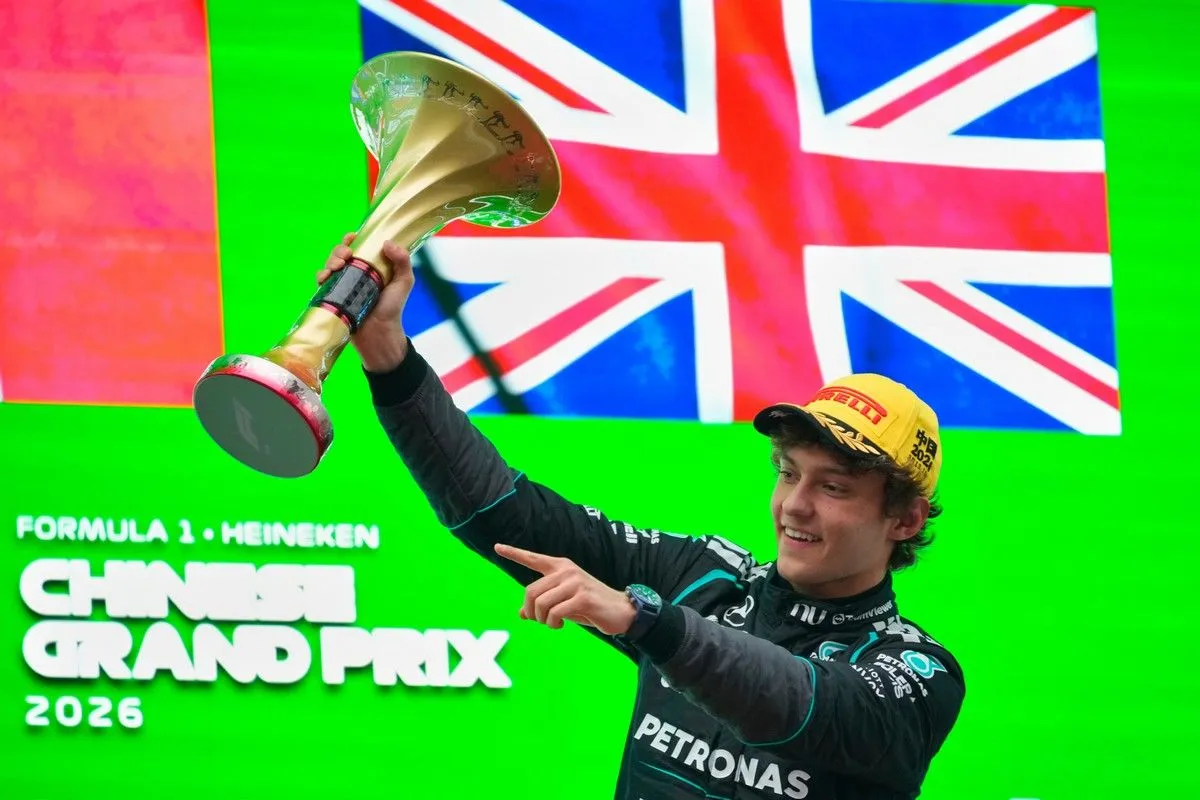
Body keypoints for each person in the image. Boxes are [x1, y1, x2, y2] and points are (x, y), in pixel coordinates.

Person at [318, 234, 966, 799]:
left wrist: (646, 620)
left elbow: (801, 705)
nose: (795, 504)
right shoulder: (703, 578)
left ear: (905, 520)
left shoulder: (918, 673)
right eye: (789, 472)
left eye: (834, 487)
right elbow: (501, 511)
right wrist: (388, 354)